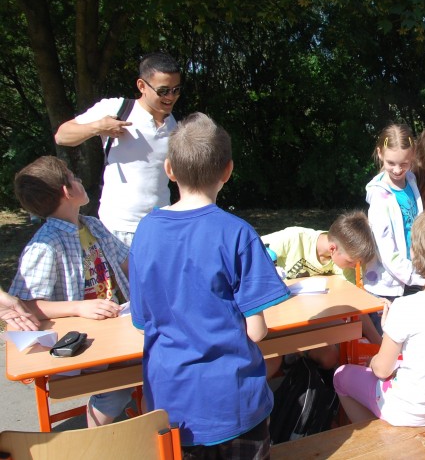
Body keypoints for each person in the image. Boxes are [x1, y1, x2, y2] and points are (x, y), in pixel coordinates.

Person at [129, 113, 290, 458]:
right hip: (235, 402)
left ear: (169, 170)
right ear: (227, 171)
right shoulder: (238, 233)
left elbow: (142, 320)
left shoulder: (145, 232)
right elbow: (256, 332)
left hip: (171, 406)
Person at [9, 156, 132, 427]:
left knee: (152, 364)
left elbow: (130, 263)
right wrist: (78, 307)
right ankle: (98, 436)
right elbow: (25, 305)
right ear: (67, 191)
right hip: (85, 344)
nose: (79, 180)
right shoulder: (45, 244)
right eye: (74, 177)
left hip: (117, 328)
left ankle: (151, 425)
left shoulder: (93, 225)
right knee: (122, 383)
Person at [333, 210, 425, 426]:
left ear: (415, 255)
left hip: (407, 408)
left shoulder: (405, 307)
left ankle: (375, 437)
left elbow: (382, 370)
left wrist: (376, 353)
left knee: (341, 376)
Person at [54, 52, 181, 245]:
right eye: (163, 91)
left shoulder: (173, 124)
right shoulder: (118, 109)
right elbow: (62, 136)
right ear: (142, 86)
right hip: (118, 228)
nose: (170, 97)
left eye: (176, 90)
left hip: (160, 226)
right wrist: (98, 127)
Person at [261, 210, 382, 348]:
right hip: (274, 316)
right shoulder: (292, 239)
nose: (354, 267)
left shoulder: (342, 263)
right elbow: (250, 249)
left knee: (329, 356)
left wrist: (379, 344)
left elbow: (355, 305)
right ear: (332, 248)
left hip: (309, 317)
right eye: (350, 262)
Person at [363, 124, 425, 301]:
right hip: (390, 286)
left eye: (404, 163)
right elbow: (387, 253)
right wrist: (420, 279)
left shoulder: (411, 180)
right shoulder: (379, 198)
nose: (397, 170)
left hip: (413, 274)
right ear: (380, 153)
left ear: (413, 155)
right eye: (391, 163)